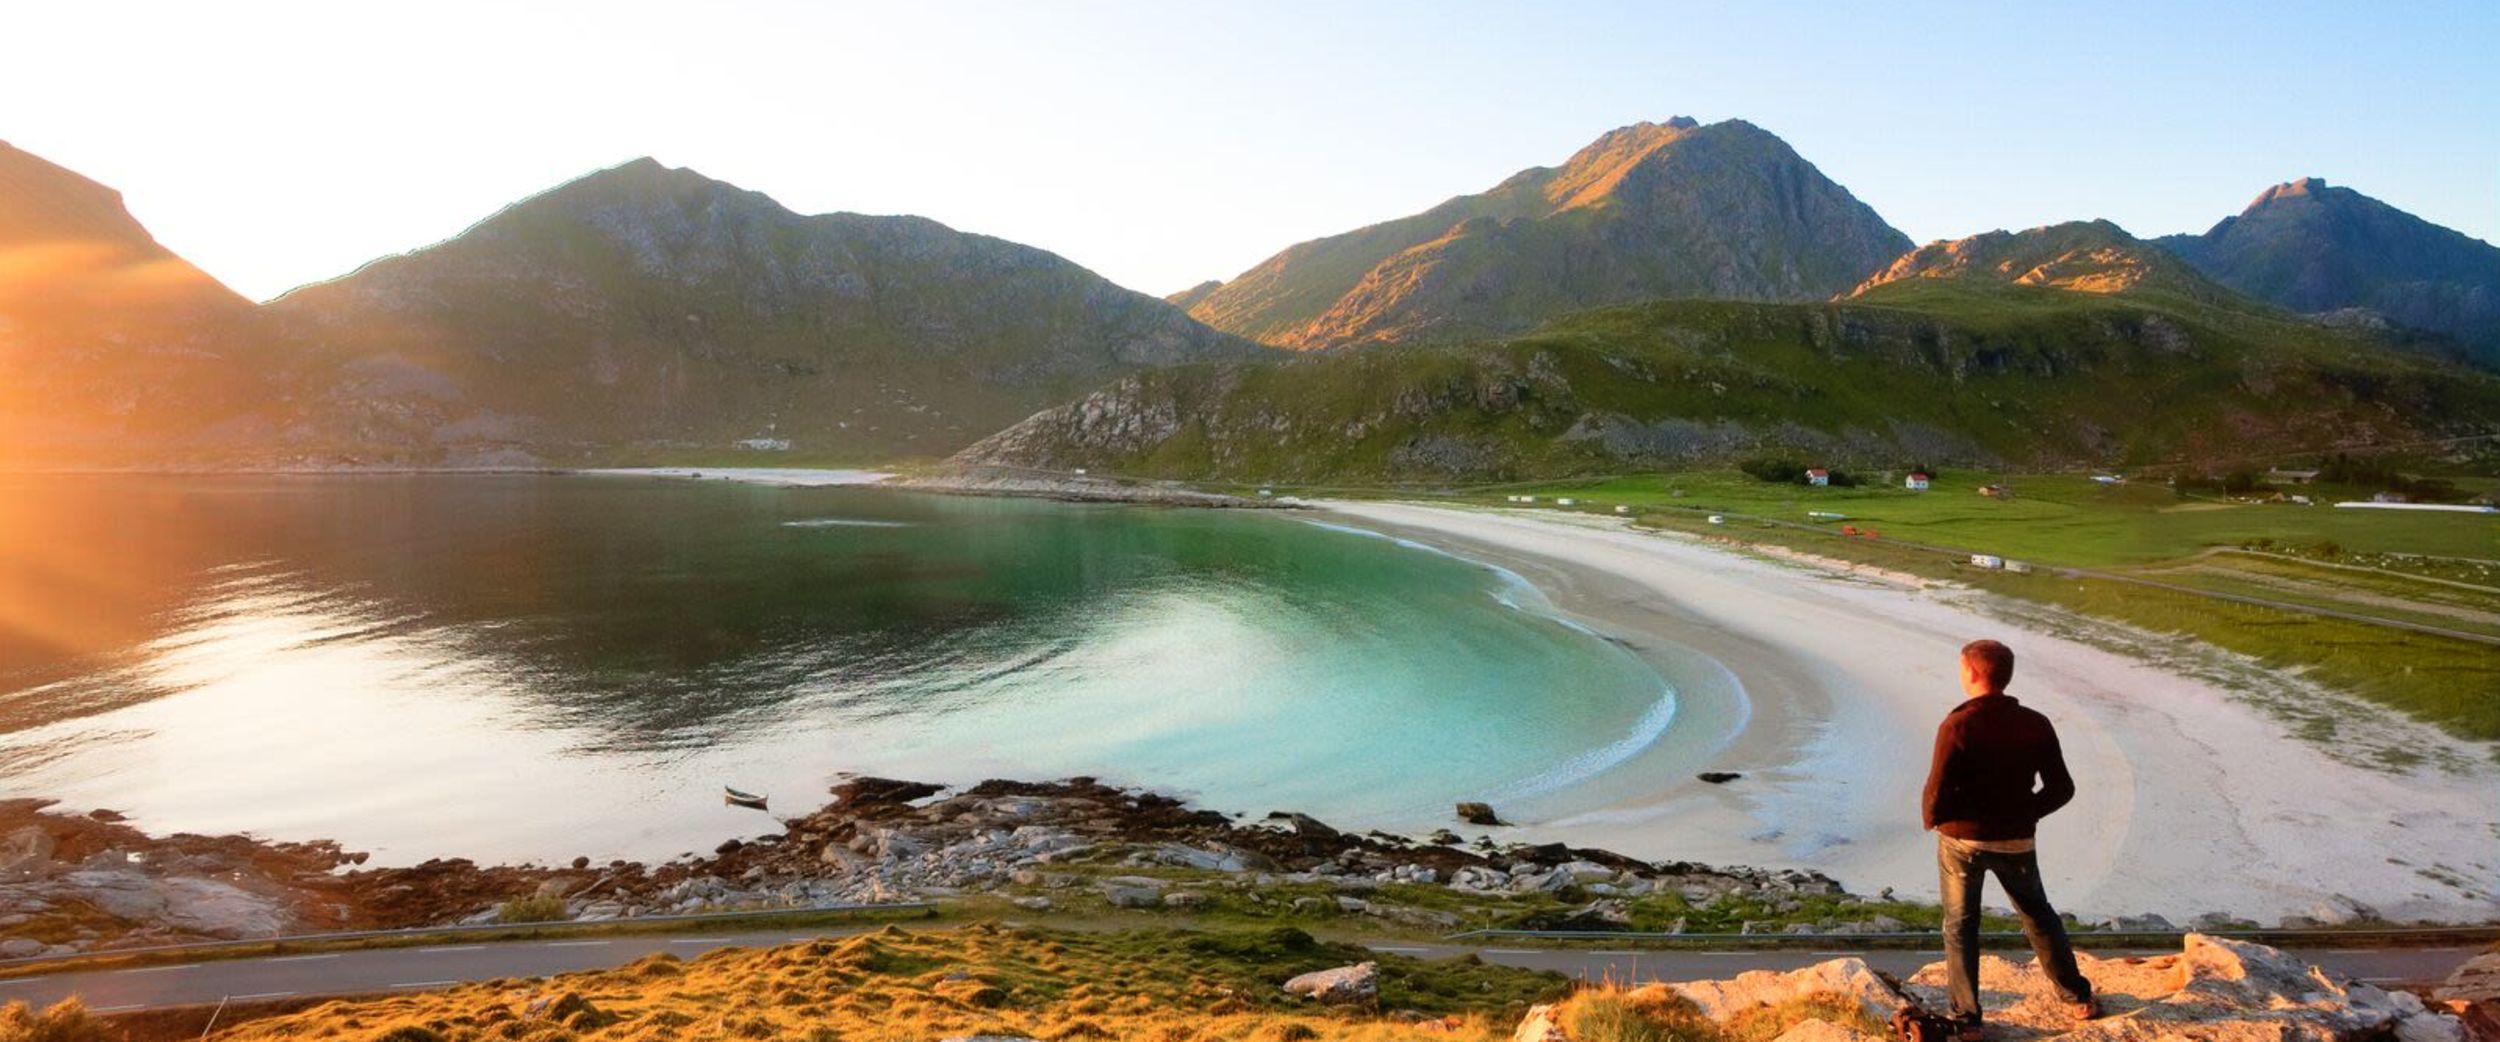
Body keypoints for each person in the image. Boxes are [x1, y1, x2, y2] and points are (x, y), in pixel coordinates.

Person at [1921, 639, 2096, 1036]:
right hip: (2016, 838)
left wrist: (1933, 820)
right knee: (2037, 915)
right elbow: (2062, 788)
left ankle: (1967, 1020)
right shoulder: (2035, 723)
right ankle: (2076, 997)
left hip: (1962, 841)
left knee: (1961, 926)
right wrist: (2024, 813)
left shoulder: (1957, 724)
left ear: (1970, 674)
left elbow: (1937, 789)